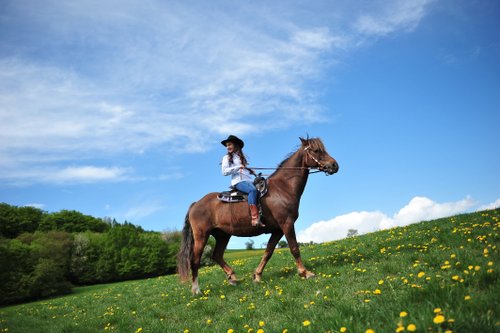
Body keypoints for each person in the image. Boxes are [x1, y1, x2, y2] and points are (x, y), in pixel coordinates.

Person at [221, 135, 265, 227]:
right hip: (238, 182)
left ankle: (262, 214)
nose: (227, 147)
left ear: (236, 145)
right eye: (227, 145)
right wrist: (238, 167)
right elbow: (224, 172)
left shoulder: (242, 157)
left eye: (229, 145)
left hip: (248, 180)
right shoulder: (226, 158)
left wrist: (250, 171)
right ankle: (254, 218)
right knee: (252, 190)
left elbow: (243, 169)